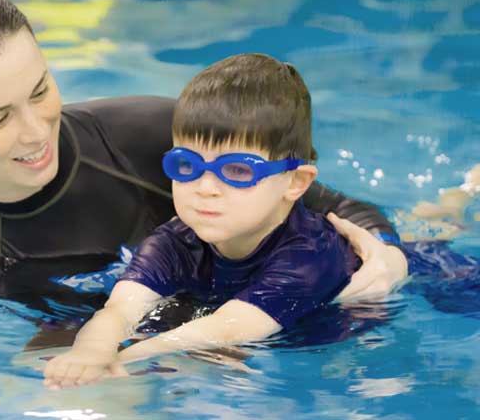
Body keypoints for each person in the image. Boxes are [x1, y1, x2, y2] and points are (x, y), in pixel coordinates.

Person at [0, 0, 407, 307]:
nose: (37, 131)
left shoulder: (150, 135)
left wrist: (388, 254)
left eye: (41, 90)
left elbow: (334, 206)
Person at [43, 53, 378, 389]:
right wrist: (91, 352)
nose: (205, 189)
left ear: (294, 183)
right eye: (186, 165)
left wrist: (124, 357)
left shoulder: (310, 254)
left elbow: (227, 328)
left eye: (237, 171)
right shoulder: (173, 241)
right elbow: (119, 310)